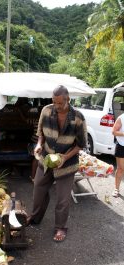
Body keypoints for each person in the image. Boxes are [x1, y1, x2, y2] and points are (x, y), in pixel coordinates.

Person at [26, 85, 87, 242]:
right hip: (46, 159)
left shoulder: (78, 117)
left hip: (67, 164)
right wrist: (39, 145)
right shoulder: (47, 110)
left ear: (68, 99)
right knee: (38, 189)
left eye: (60, 103)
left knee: (62, 199)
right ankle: (34, 217)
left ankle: (60, 227)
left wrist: (65, 157)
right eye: (54, 102)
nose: (57, 106)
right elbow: (40, 133)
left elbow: (81, 144)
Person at [112, 113, 124, 197]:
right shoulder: (121, 118)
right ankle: (116, 189)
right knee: (121, 168)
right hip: (121, 145)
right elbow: (114, 132)